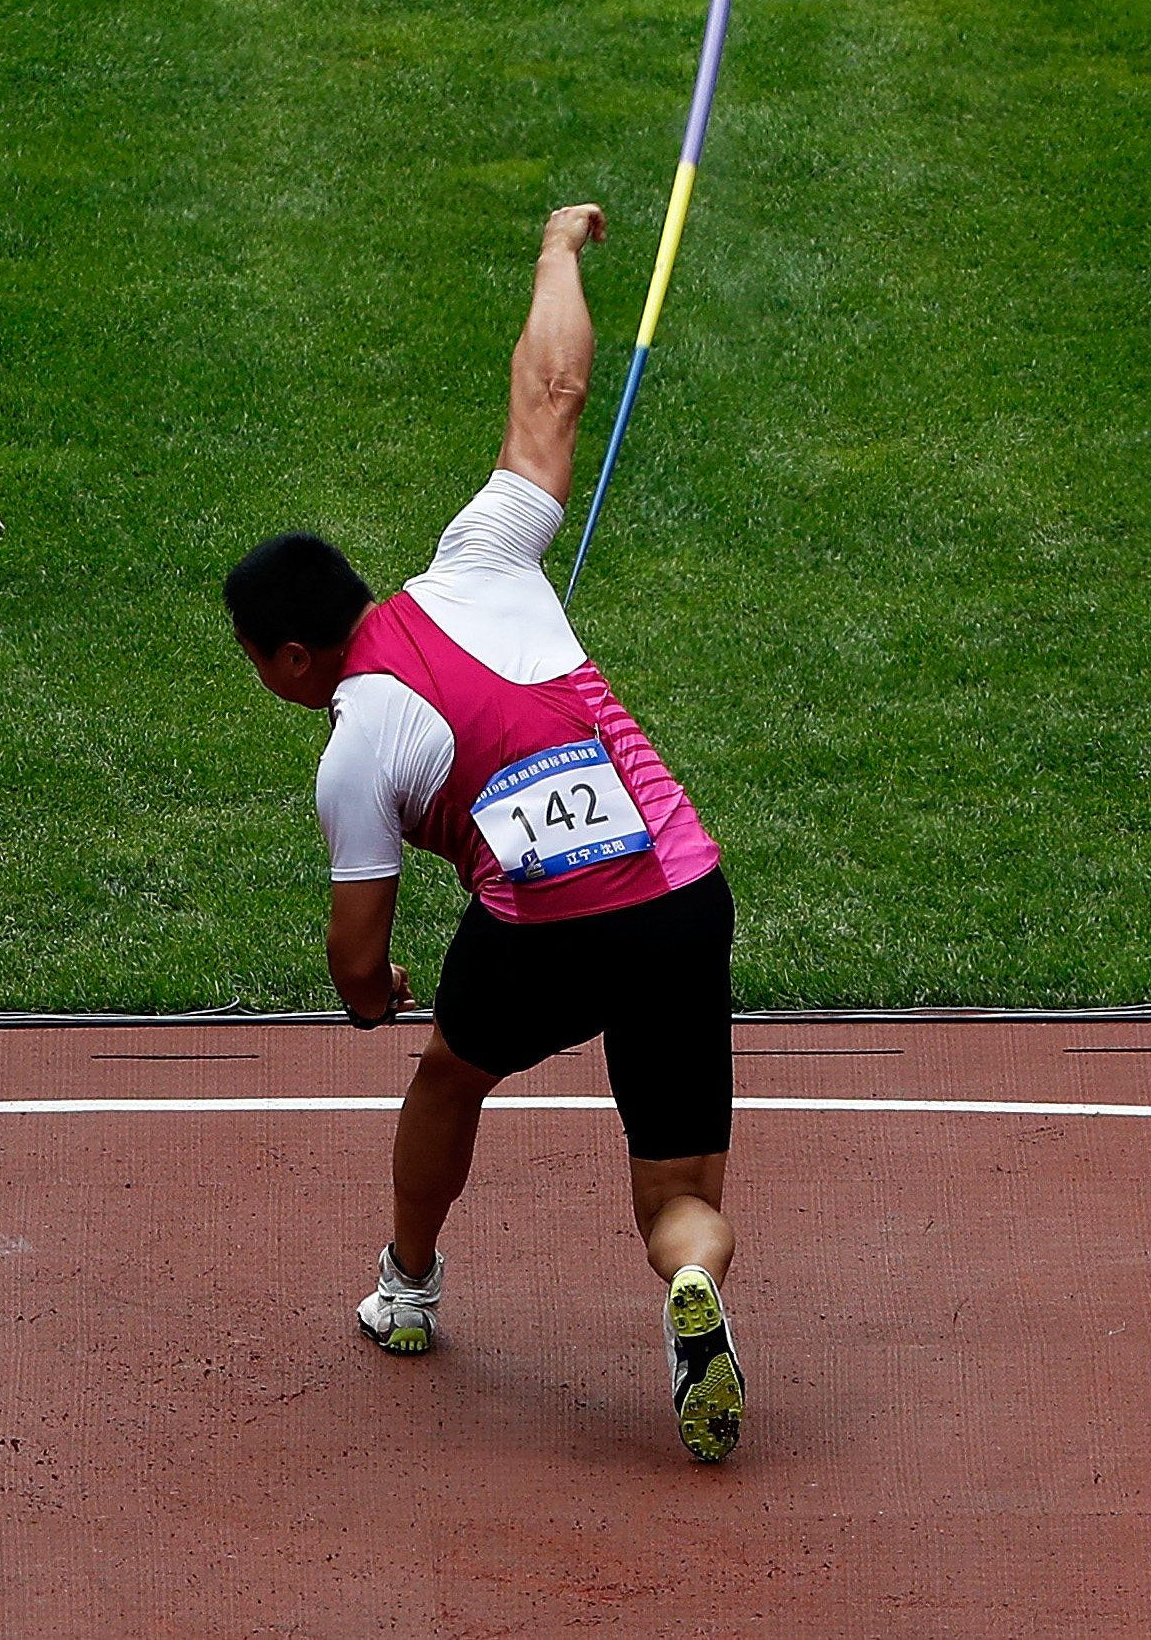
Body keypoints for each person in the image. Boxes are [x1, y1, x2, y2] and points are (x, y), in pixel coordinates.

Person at [224, 200, 746, 1465]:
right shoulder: (482, 555)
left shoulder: (357, 748)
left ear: (296, 654)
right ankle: (692, 1282)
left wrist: (378, 993)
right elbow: (554, 392)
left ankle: (408, 1290)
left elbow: (360, 966)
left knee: (451, 1072)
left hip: (549, 940)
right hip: (679, 897)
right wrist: (556, 253)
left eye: (258, 664)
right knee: (677, 1194)